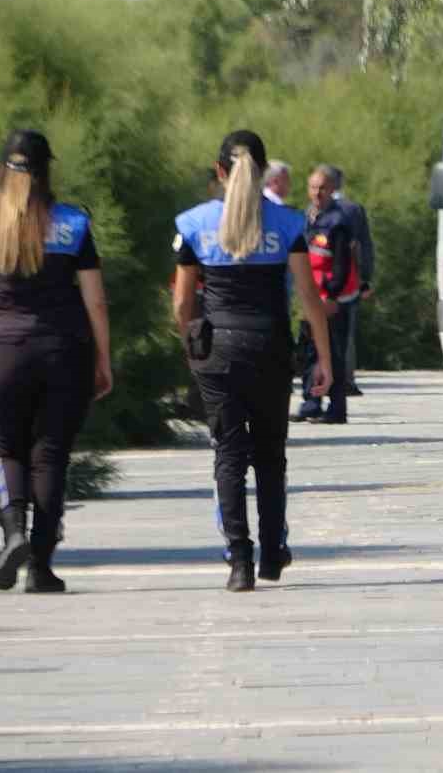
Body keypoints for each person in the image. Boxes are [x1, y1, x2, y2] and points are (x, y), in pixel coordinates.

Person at [174, 130, 333, 592]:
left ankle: (239, 559)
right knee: (269, 454)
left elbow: (183, 302)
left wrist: (191, 343)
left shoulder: (193, 224)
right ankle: (273, 550)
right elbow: (309, 297)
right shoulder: (287, 224)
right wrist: (323, 360)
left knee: (228, 453)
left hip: (217, 348)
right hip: (270, 346)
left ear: (220, 172)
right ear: (261, 171)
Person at [0, 129, 113, 594]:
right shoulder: (75, 225)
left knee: (9, 450)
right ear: (48, 169)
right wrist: (103, 359)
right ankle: (41, 567)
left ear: (3, 170)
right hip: (64, 352)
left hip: (4, 350)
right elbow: (95, 302)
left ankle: (12, 535)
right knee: (50, 456)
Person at [292, 167, 359, 424]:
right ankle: (311, 402)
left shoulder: (338, 222)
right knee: (309, 351)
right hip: (309, 297)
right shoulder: (305, 219)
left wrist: (331, 296)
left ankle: (337, 407)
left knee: (334, 353)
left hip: (330, 299)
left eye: (322, 187)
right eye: (313, 187)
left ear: (332, 189)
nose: (317, 193)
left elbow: (342, 264)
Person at [324, 164, 375, 397]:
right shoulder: (353, 209)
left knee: (319, 331)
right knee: (346, 332)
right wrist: (365, 279)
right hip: (349, 282)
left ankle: (321, 379)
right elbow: (364, 247)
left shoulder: (312, 209)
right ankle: (346, 380)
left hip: (318, 280)